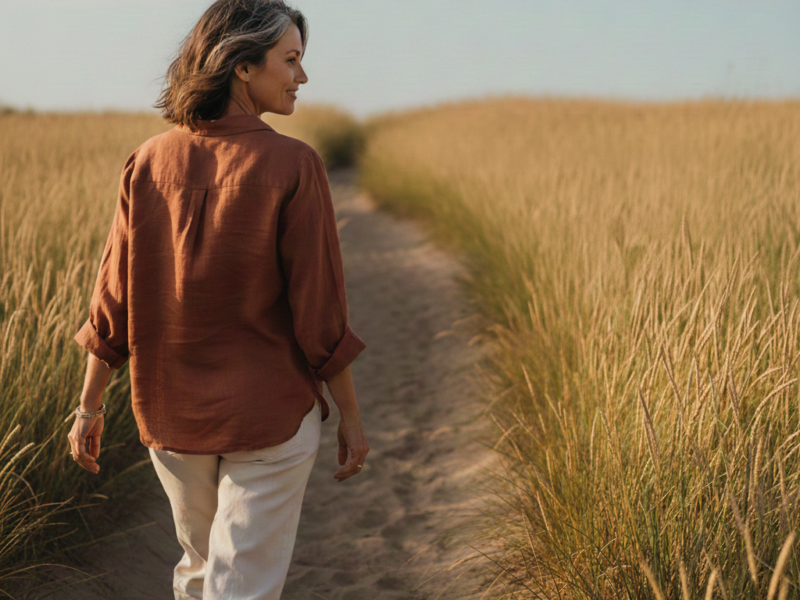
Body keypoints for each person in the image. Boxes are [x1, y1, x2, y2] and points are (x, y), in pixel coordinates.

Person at [66, 1, 368, 598]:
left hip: (171, 419)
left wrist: (90, 407)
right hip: (271, 420)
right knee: (240, 585)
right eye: (291, 60)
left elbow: (112, 301)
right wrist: (352, 418)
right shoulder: (294, 164)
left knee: (201, 571)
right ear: (242, 67)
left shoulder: (147, 162)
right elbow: (320, 314)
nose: (302, 77)